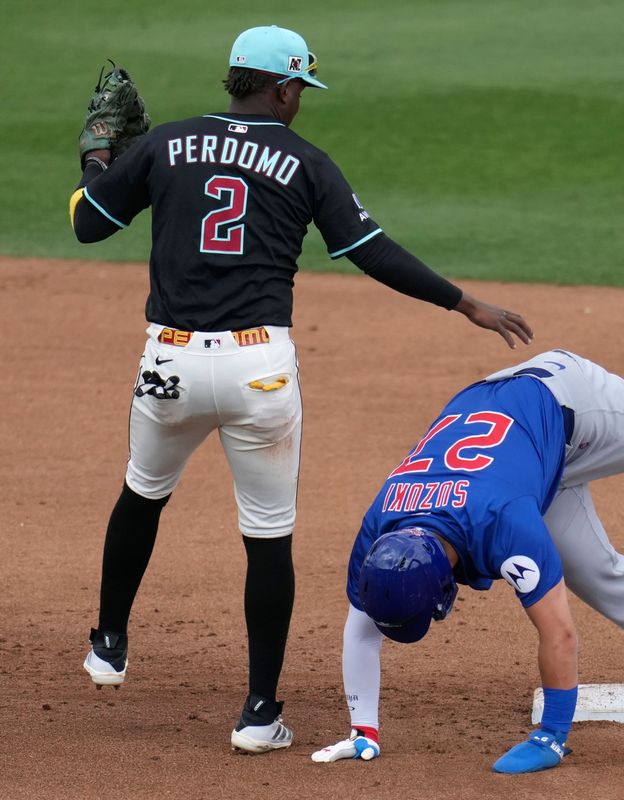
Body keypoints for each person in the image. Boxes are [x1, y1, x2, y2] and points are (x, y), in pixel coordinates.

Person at [68, 25, 533, 754]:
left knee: (143, 492)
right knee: (267, 537)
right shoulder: (305, 161)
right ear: (281, 87)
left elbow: (88, 223)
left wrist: (101, 157)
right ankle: (258, 714)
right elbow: (368, 250)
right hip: (260, 371)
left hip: (171, 364)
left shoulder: (167, 144)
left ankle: (108, 642)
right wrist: (462, 302)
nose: (300, 104)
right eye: (299, 91)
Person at [310, 221, 624, 773]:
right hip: (512, 443)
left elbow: (558, 631)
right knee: (587, 568)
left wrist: (551, 739)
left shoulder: (504, 523)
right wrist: (363, 729)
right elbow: (362, 625)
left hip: (564, 402)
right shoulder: (382, 530)